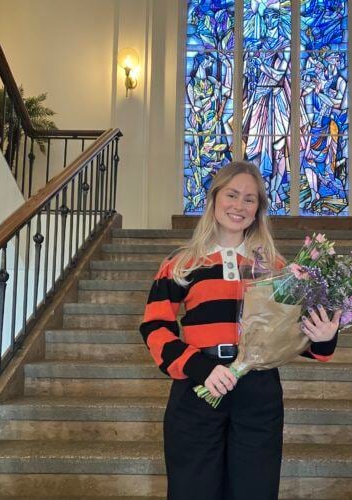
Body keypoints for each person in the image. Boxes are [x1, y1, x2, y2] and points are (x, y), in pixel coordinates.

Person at [139, 160, 341, 500]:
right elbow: (155, 327)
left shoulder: (276, 269)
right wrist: (199, 368)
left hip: (258, 392)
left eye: (250, 199)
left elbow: (292, 337)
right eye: (232, 195)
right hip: (198, 388)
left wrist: (324, 337)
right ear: (214, 198)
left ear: (259, 208)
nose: (239, 205)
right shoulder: (180, 264)